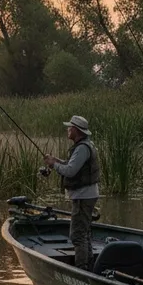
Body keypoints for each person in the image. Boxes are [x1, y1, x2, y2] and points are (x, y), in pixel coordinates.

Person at [43, 115, 100, 270]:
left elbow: (70, 171)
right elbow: (71, 165)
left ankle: (82, 270)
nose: (67, 129)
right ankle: (88, 266)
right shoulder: (84, 145)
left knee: (77, 236)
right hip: (85, 195)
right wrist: (56, 160)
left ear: (75, 130)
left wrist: (54, 165)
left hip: (83, 197)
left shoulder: (82, 148)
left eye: (69, 127)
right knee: (84, 233)